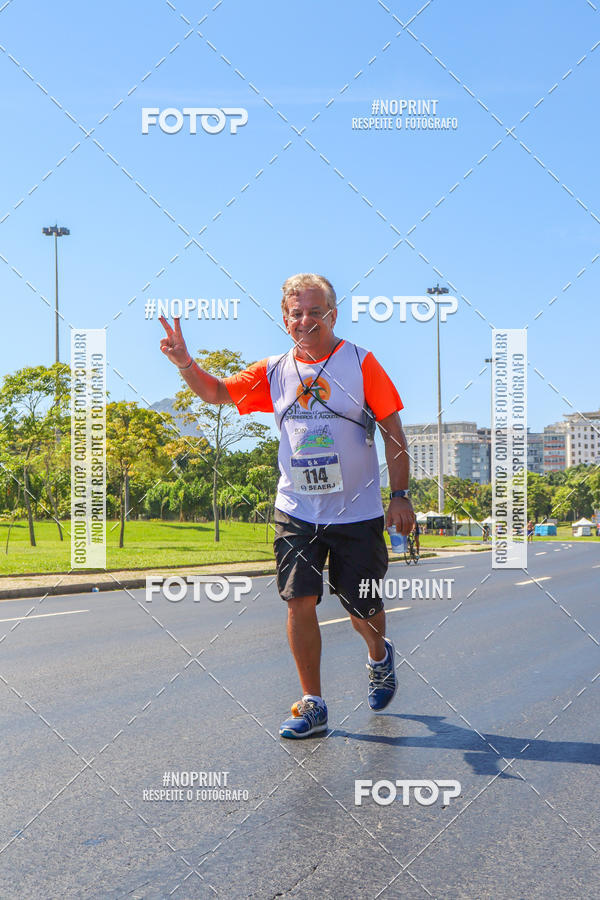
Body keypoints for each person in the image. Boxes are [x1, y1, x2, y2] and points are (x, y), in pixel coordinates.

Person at [159, 273, 415, 739]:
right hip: (296, 509)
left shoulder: (362, 364)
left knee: (361, 608)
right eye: (296, 313)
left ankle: (379, 655)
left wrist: (400, 497)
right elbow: (217, 392)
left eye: (315, 312)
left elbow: (394, 435)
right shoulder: (274, 370)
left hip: (356, 512)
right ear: (285, 319)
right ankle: (313, 703)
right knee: (299, 600)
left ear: (333, 315)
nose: (305, 320)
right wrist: (185, 363)